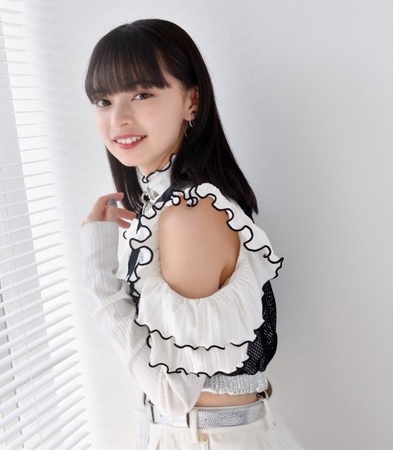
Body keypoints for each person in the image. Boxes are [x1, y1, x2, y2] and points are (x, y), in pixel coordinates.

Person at [80, 19, 302, 449]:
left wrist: (99, 280)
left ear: (191, 101)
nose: (118, 118)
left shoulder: (190, 215)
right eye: (103, 101)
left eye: (142, 94)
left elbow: (172, 393)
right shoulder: (174, 206)